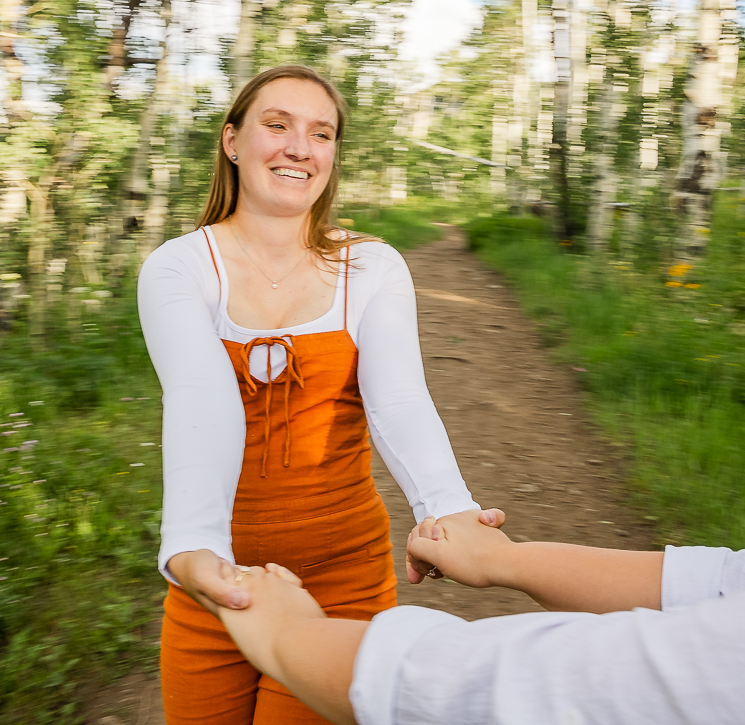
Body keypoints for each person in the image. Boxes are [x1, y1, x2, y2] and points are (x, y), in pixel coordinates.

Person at [214, 40, 745, 725]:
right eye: (277, 125)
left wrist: (290, 638)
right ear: (232, 140)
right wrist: (510, 560)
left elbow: (575, 686)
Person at [137, 64, 495, 725]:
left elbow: (400, 400)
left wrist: (448, 508)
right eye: (277, 125)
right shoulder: (179, 267)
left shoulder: (373, 266)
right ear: (232, 141)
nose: (300, 147)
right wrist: (194, 547)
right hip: (216, 582)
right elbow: (200, 397)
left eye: (321, 133)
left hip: (343, 582)